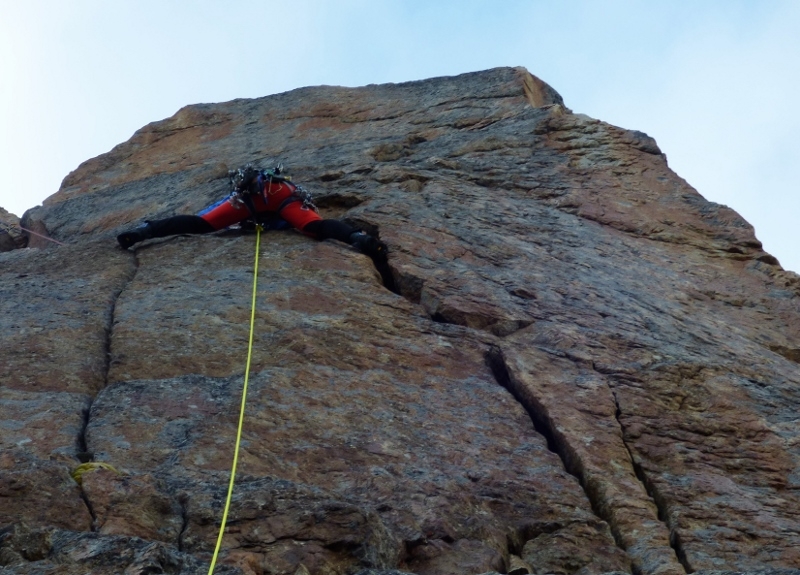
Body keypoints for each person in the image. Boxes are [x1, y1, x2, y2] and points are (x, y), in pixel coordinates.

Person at [116, 165, 387, 263]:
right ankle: (358, 239)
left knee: (203, 223)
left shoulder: (249, 188)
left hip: (253, 198)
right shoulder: (281, 188)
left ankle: (145, 231)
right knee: (314, 226)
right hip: (282, 196)